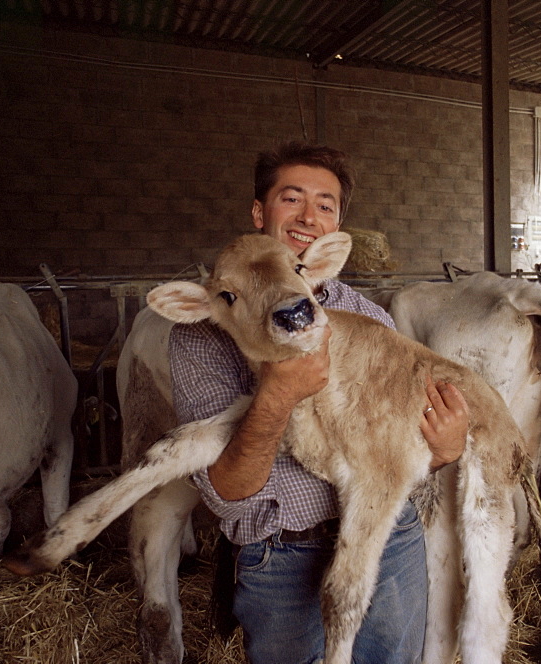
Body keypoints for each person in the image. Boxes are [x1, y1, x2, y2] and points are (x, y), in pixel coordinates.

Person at [168, 141, 469, 664]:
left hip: (388, 538)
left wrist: (444, 447)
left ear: (336, 228)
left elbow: (402, 447)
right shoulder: (204, 331)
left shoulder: (369, 318)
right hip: (281, 555)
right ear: (260, 212)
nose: (309, 216)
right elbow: (227, 493)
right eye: (293, 199)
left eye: (326, 205)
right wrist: (279, 393)